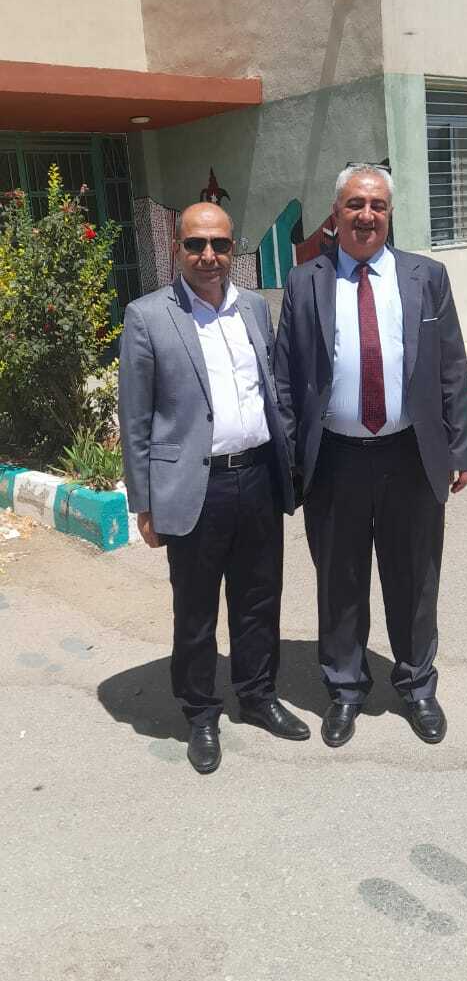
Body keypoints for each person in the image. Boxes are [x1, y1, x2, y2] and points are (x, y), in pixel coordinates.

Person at [274, 165, 467, 749]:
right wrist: (291, 458)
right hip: (334, 459)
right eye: (355, 205)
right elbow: (285, 376)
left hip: (410, 454)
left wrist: (460, 446)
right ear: (336, 213)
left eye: (377, 206)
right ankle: (345, 689)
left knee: (414, 577)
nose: (366, 215)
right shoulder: (305, 282)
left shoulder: (426, 277)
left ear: (389, 214)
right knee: (339, 580)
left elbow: (452, 365)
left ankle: (416, 686)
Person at [119, 202, 310, 774]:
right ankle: (201, 712)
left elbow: (271, 392)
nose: (208, 256)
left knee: (259, 599)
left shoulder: (253, 307)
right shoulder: (148, 316)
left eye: (220, 245)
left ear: (233, 250)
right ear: (177, 248)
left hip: (258, 478)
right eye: (196, 244)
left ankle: (257, 695)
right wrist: (143, 503)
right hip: (193, 487)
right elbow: (135, 418)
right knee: (196, 609)